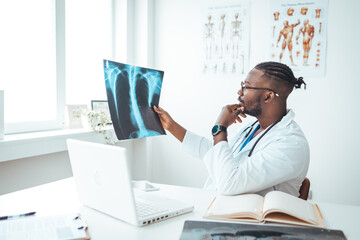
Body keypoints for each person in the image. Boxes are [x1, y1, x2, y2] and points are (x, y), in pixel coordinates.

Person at [154, 61, 309, 197]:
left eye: (246, 86)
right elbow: (219, 153)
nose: (239, 92)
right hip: (224, 211)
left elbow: (230, 183)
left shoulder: (290, 144)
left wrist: (220, 128)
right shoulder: (253, 127)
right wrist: (171, 126)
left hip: (256, 225)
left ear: (268, 96)